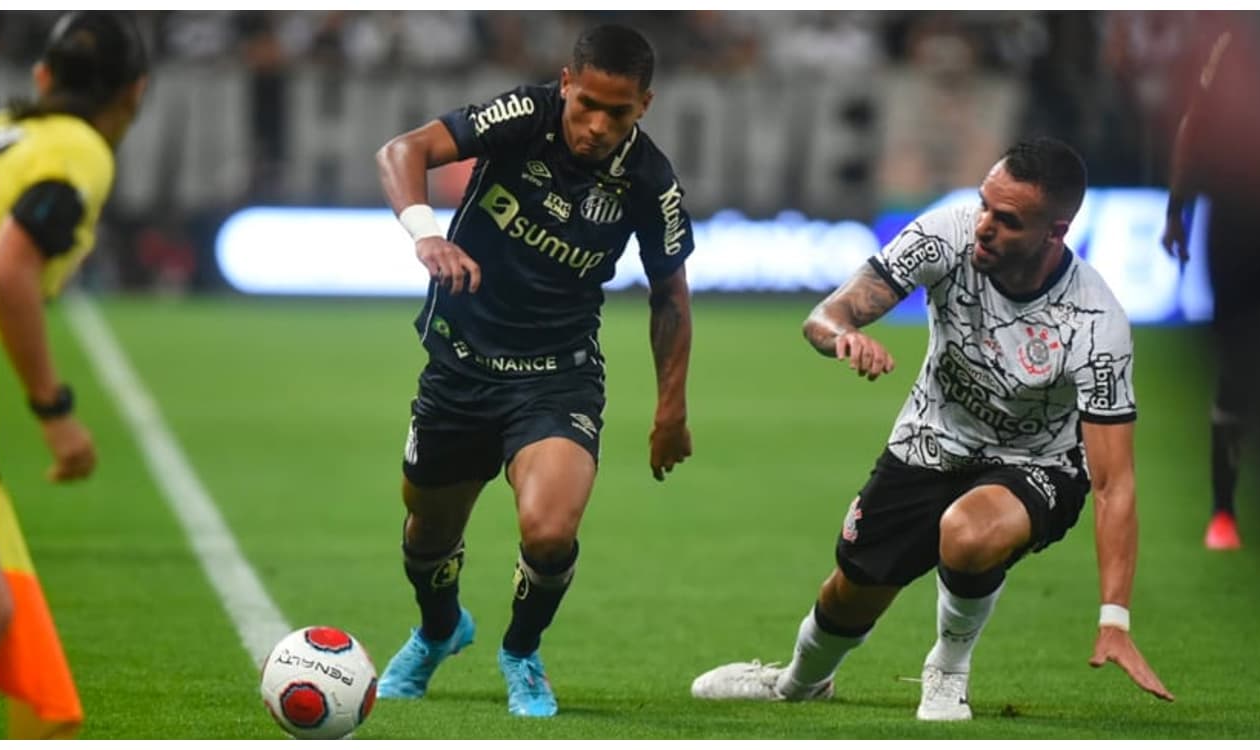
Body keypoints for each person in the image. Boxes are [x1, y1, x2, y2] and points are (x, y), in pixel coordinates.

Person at [690, 137, 1174, 719]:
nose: (985, 227)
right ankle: (798, 682)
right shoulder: (947, 234)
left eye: (1008, 219)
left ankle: (947, 670)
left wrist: (1114, 619)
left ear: (1056, 232)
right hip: (929, 440)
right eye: (984, 205)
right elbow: (825, 314)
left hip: (1038, 461)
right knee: (849, 591)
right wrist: (843, 336)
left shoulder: (1095, 324)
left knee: (968, 533)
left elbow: (1114, 483)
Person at [373, 24, 694, 717]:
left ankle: (521, 652)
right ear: (566, 84)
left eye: (620, 111)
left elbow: (670, 293)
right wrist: (427, 234)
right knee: (428, 532)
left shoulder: (649, 181)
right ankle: (438, 631)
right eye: (589, 105)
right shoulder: (524, 118)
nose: (599, 125)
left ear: (645, 104)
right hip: (459, 366)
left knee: (549, 531)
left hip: (557, 376)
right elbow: (404, 151)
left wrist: (671, 409)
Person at [0, 10, 149, 737]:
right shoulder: (79, 151)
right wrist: (54, 412)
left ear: (43, 76)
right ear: (136, 94)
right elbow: (8, 271)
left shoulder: (7, 133)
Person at [1160, 14, 1260, 529]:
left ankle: (1229, 509)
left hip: (1249, 212)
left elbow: (1196, 122)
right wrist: (1177, 208)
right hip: (1253, 210)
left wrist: (1177, 210)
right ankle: (1224, 510)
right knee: (1241, 371)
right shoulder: (1236, 42)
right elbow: (1199, 123)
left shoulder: (1235, 40)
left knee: (1242, 363)